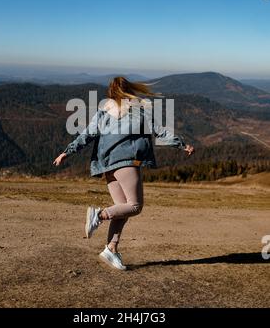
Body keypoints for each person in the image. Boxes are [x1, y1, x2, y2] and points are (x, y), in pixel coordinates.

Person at [53, 77, 194, 270]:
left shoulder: (102, 112)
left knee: (122, 209)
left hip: (107, 165)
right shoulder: (139, 111)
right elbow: (160, 132)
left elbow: (86, 135)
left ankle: (111, 249)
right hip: (127, 162)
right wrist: (183, 145)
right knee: (135, 206)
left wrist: (66, 152)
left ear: (111, 93)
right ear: (129, 91)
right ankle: (99, 216)